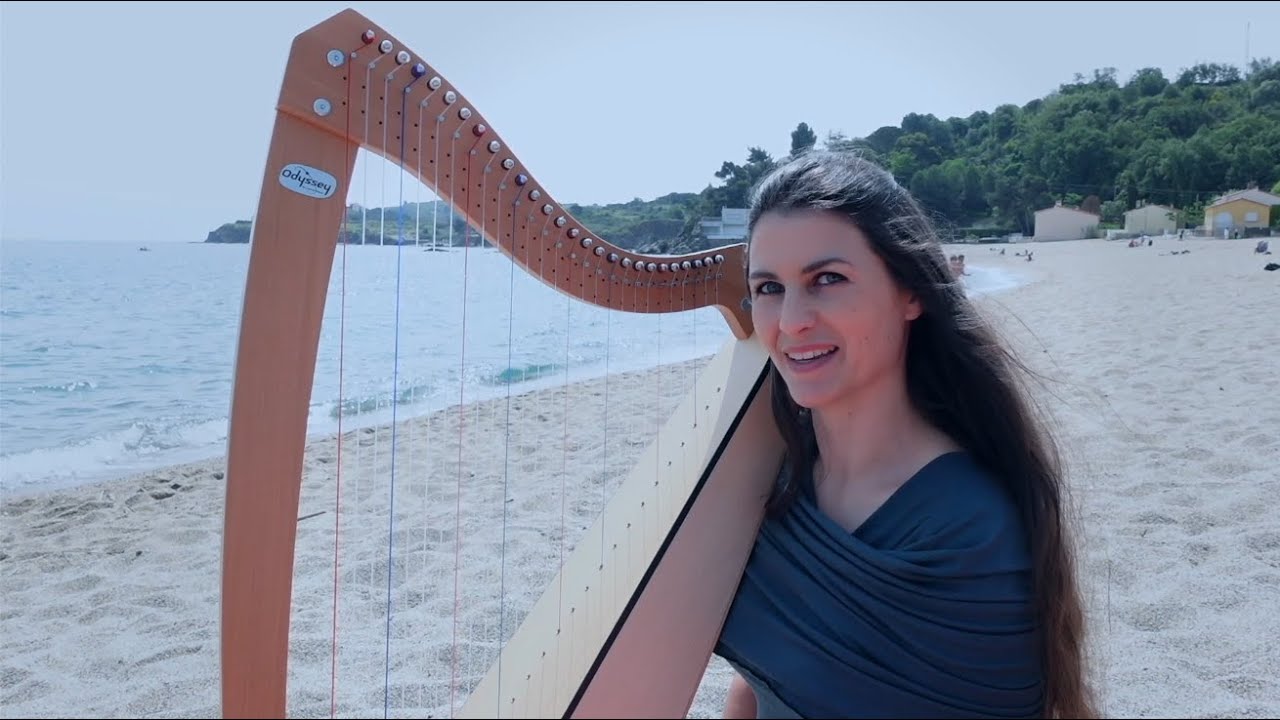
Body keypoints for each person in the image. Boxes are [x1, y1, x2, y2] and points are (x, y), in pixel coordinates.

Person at [711, 151, 1097, 719]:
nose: (790, 321)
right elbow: (760, 682)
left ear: (910, 293)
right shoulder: (780, 481)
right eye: (768, 288)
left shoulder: (971, 533)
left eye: (827, 280)